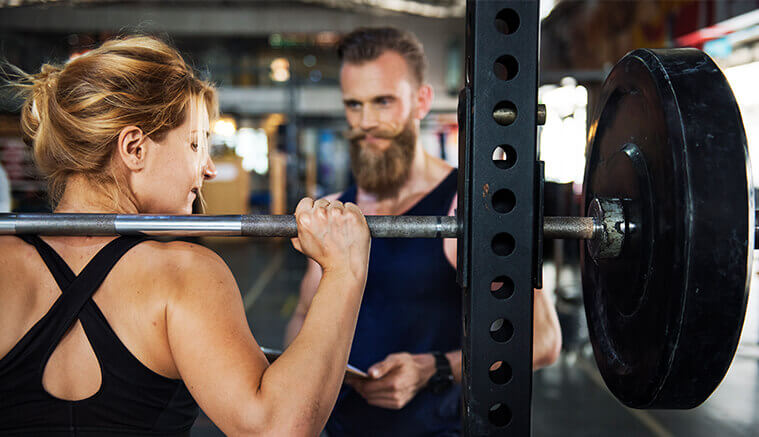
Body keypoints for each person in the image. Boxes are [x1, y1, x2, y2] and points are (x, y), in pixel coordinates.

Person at [0, 35, 371, 436]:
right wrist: (344, 270)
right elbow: (277, 429)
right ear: (135, 149)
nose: (209, 169)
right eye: (196, 144)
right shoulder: (183, 276)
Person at [285, 27, 562, 436]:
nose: (367, 122)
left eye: (383, 102)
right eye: (354, 105)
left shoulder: (468, 206)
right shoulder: (336, 208)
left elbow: (543, 340)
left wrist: (432, 368)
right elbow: (303, 314)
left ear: (422, 101)